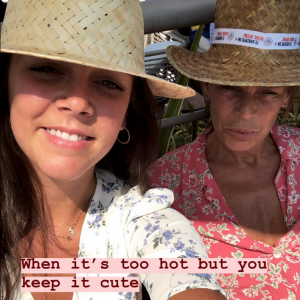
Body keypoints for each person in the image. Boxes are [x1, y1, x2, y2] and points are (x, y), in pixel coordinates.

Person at [0, 1, 229, 300]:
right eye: (47, 69)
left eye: (108, 82)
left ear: (125, 116)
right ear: (6, 84)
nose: (78, 102)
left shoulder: (142, 221)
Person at [148, 0, 300, 299]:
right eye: (231, 88)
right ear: (208, 86)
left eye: (268, 93)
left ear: (286, 97)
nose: (246, 113)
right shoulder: (167, 185)